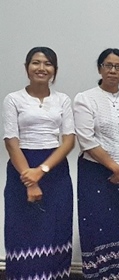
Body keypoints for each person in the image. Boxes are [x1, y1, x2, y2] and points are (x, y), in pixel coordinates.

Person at [3, 46, 76, 280]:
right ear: (26, 68)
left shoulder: (63, 99)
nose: (41, 68)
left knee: (55, 233)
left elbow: (68, 141)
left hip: (54, 170)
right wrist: (30, 178)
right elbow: (11, 141)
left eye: (47, 64)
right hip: (21, 169)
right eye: (36, 63)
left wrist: (42, 170)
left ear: (55, 70)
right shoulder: (13, 99)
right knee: (22, 233)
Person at [74, 48, 119, 278]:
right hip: (96, 173)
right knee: (98, 227)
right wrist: (115, 168)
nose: (113, 70)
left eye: (118, 67)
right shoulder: (85, 99)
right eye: (108, 65)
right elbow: (86, 139)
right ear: (99, 68)